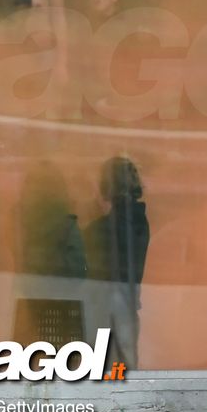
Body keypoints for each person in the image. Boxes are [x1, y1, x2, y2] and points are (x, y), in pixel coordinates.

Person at [84, 157, 150, 369]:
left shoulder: (104, 227)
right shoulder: (140, 221)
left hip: (106, 306)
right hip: (129, 304)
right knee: (127, 370)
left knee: (104, 370)